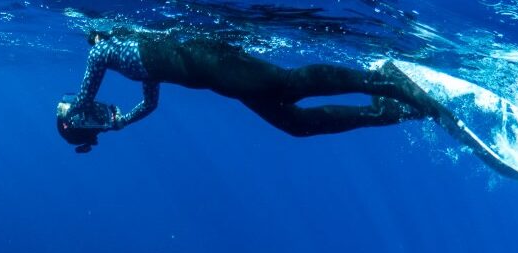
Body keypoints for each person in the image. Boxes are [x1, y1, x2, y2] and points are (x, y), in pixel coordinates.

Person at [57, 29, 437, 153]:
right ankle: (390, 109)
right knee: (294, 123)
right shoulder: (130, 54)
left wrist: (77, 121)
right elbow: (150, 101)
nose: (94, 112)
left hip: (214, 64)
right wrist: (121, 121)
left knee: (288, 86)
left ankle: (391, 84)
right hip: (220, 77)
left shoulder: (103, 48)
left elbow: (84, 97)